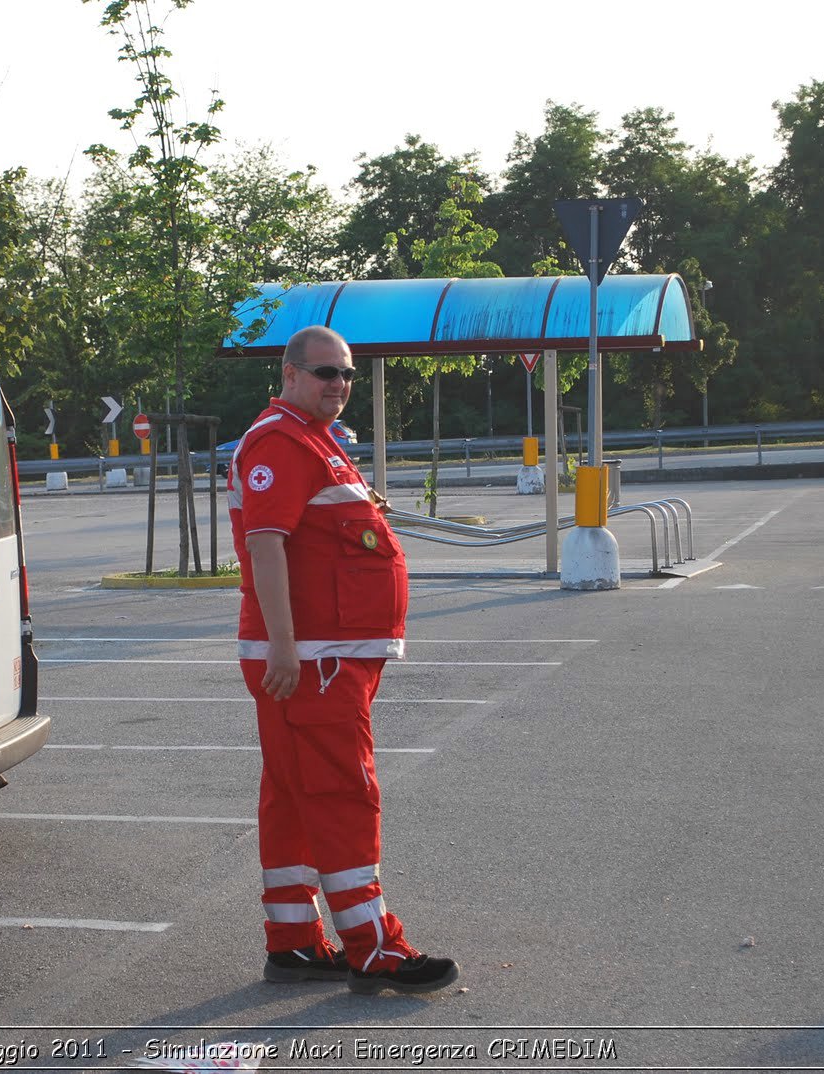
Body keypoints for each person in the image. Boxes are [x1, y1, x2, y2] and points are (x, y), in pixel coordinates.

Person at [227, 324, 459, 996]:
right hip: (311, 659)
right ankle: (375, 948)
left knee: (296, 797)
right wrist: (282, 645)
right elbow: (266, 545)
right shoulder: (280, 439)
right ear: (290, 374)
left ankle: (295, 941)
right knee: (341, 795)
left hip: (324, 656)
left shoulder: (314, 439)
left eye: (348, 373)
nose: (340, 384)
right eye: (326, 372)